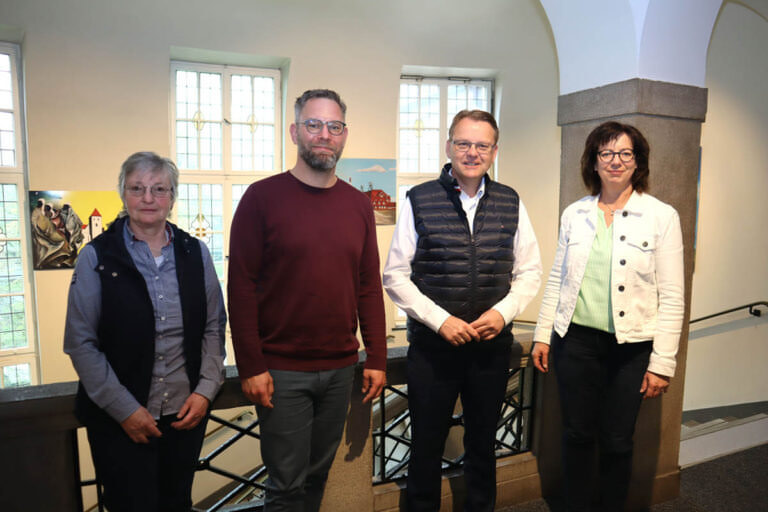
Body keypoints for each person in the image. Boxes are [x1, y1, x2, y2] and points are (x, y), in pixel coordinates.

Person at [228, 89, 387, 512]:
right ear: (295, 131)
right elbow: (241, 287)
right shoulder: (261, 198)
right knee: (285, 486)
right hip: (281, 371)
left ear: (344, 135)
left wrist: (376, 356)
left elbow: (368, 285)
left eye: (334, 126)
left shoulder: (358, 205)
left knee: (317, 478)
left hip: (340, 368)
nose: (324, 135)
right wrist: (251, 365)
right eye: (313, 124)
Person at [383, 110, 542, 512]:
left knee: (483, 444)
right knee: (425, 445)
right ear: (449, 146)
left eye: (482, 145)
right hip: (433, 349)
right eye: (464, 143)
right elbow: (395, 275)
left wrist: (503, 313)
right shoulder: (419, 199)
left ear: (494, 151)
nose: (473, 152)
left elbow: (530, 271)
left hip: (490, 348)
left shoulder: (510, 200)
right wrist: (441, 321)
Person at [531, 121, 684, 511]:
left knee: (617, 440)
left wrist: (662, 362)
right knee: (577, 434)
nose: (616, 161)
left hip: (631, 349)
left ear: (638, 162)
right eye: (607, 153)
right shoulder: (575, 214)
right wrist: (543, 334)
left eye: (625, 153)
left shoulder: (661, 216)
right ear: (594, 162)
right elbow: (558, 279)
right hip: (576, 342)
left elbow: (672, 296)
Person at [64, 151, 226, 512]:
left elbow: (214, 326)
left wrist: (205, 390)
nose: (148, 198)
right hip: (119, 420)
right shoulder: (96, 257)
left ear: (172, 196)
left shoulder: (195, 252)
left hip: (184, 416)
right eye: (137, 188)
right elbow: (81, 343)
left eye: (159, 189)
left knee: (177, 504)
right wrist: (124, 410)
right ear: (123, 194)